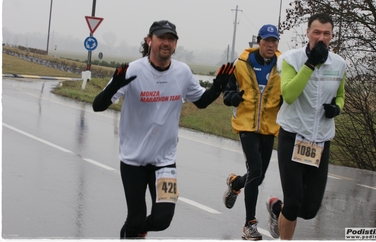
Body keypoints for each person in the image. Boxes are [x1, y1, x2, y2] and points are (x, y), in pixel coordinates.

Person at [92, 20, 234, 239]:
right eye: (161, 38)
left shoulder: (183, 72)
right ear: (150, 40)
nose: (166, 43)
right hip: (133, 160)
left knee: (162, 220)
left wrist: (218, 86)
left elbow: (202, 101)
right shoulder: (132, 71)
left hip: (165, 160)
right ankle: (132, 227)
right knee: (136, 217)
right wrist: (114, 85)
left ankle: (131, 229)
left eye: (171, 39)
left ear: (176, 44)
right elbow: (97, 106)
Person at [266, 13, 346, 240]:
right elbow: (289, 95)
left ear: (332, 36)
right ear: (307, 33)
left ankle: (275, 208)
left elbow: (341, 95)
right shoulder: (291, 59)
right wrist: (311, 64)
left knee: (309, 210)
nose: (321, 38)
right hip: (293, 136)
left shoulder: (339, 64)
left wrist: (337, 108)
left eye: (326, 33)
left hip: (320, 141)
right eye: (317, 32)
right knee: (293, 204)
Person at [222, 24, 282, 240]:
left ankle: (235, 183)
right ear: (259, 41)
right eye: (267, 41)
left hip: (268, 127)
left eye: (274, 41)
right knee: (255, 170)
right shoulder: (241, 64)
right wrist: (232, 98)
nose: (271, 45)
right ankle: (250, 225)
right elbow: (227, 91)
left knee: (258, 176)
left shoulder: (283, 66)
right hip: (246, 125)